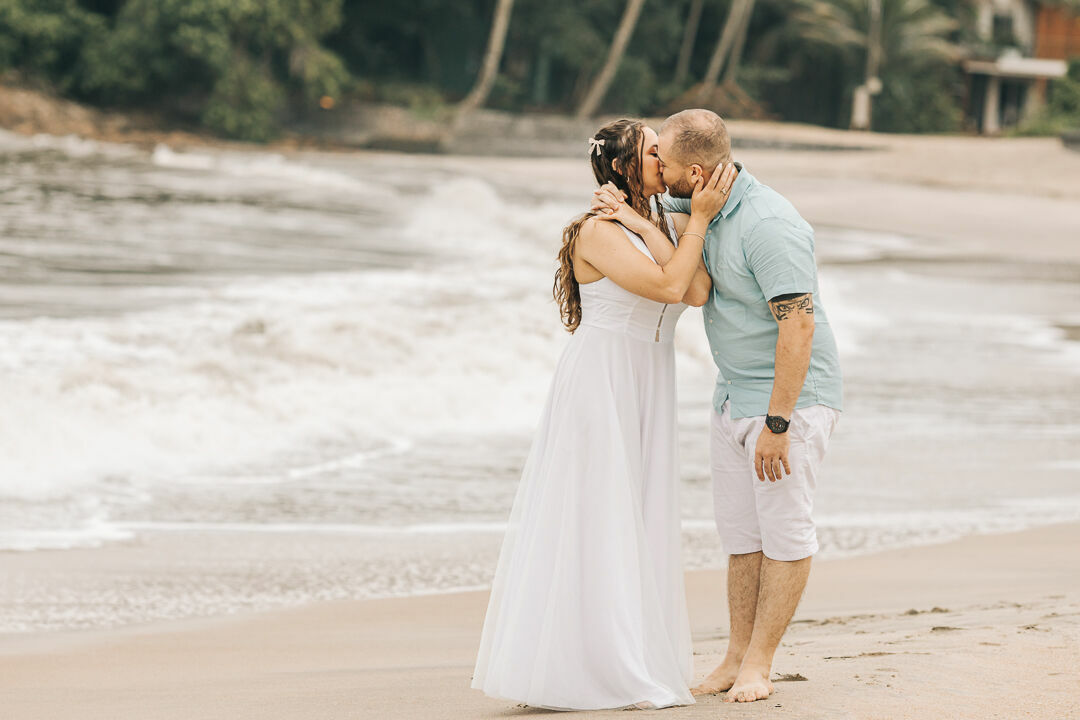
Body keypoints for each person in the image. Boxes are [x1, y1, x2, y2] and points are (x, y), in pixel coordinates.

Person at [471, 118, 735, 711]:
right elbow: (671, 287)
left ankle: (632, 654)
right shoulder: (597, 231)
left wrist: (653, 221)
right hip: (603, 380)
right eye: (651, 150)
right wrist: (695, 222)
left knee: (636, 515)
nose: (662, 155)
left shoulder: (650, 221)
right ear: (624, 167)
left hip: (646, 378)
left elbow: (697, 292)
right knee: (598, 516)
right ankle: (590, 665)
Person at [594, 108, 843, 704]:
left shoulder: (769, 224)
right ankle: (734, 657)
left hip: (790, 403)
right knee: (740, 537)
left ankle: (760, 662)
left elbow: (799, 327)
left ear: (698, 172)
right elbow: (671, 241)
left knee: (784, 533)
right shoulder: (699, 204)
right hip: (731, 398)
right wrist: (626, 206)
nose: (661, 177)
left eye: (668, 167)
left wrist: (779, 424)